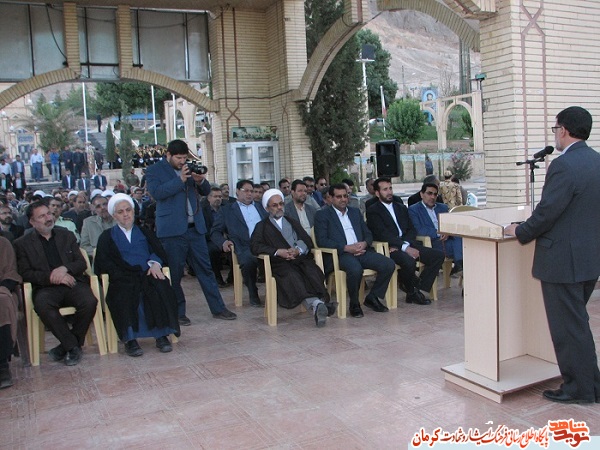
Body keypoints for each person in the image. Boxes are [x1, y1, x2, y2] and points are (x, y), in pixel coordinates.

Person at [504, 106, 600, 404]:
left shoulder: (563, 166)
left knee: (567, 329)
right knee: (577, 324)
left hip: (562, 261)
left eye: (555, 128)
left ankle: (579, 389)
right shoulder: (596, 161)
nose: (555, 134)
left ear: (564, 130)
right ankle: (592, 384)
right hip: (589, 258)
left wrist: (520, 231)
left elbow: (547, 212)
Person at [145, 139, 236, 325]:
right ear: (168, 155)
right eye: (178, 158)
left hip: (196, 229)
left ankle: (218, 308)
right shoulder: (154, 170)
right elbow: (157, 193)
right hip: (172, 231)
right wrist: (180, 180)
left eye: (184, 158)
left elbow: (206, 191)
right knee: (175, 273)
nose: (181, 161)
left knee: (206, 270)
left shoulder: (189, 168)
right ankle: (178, 312)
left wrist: (200, 180)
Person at [95, 194, 180, 357]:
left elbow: (158, 251)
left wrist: (155, 264)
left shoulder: (144, 232)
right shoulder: (106, 237)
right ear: (114, 216)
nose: (125, 214)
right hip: (122, 277)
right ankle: (130, 339)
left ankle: (161, 335)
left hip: (147, 273)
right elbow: (103, 262)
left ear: (133, 212)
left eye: (128, 210)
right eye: (120, 212)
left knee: (159, 289)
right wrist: (120, 273)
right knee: (124, 294)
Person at [14, 201, 97, 366]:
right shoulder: (22, 243)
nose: (48, 218)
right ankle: (72, 346)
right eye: (42, 216)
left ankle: (66, 346)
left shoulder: (66, 235)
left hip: (72, 282)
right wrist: (52, 276)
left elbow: (81, 263)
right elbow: (25, 273)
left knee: (90, 302)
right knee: (43, 305)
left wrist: (64, 269)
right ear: (32, 222)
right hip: (45, 287)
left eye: (49, 214)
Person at [251, 189, 336, 327]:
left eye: (281, 204)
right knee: (292, 275)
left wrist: (298, 250)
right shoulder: (261, 226)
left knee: (312, 271)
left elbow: (305, 239)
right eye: (275, 205)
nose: (279, 207)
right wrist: (278, 252)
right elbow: (255, 246)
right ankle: (317, 304)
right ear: (267, 208)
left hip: (299, 259)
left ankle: (317, 305)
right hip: (279, 264)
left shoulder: (291, 221)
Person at [314, 184, 396, 318]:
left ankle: (373, 297)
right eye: (339, 197)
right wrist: (346, 248)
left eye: (345, 196)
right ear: (331, 198)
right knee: (355, 269)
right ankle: (354, 303)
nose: (343, 199)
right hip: (341, 254)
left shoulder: (355, 212)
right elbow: (322, 241)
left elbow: (368, 234)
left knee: (388, 264)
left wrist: (364, 244)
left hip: (361, 251)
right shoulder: (322, 215)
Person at [366, 178, 444, 305]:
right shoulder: (373, 210)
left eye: (390, 188)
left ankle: (416, 289)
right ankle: (412, 291)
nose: (389, 192)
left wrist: (406, 245)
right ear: (377, 193)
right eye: (385, 189)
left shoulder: (401, 207)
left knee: (437, 256)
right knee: (408, 261)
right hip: (389, 248)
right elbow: (382, 234)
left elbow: (411, 229)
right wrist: (403, 247)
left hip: (406, 244)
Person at [211, 179, 268, 307]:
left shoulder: (260, 207)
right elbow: (215, 232)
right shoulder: (227, 210)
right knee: (248, 261)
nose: (249, 194)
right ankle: (253, 292)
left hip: (264, 244)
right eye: (246, 191)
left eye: (251, 191)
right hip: (243, 245)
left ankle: (280, 291)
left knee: (281, 257)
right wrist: (223, 242)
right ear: (237, 191)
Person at [409, 182, 463, 274]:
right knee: (466, 248)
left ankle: (460, 265)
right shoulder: (414, 209)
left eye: (435, 194)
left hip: (447, 239)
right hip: (430, 242)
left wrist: (447, 232)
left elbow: (450, 225)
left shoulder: (443, 207)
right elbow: (419, 230)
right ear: (422, 194)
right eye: (429, 193)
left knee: (464, 239)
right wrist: (439, 232)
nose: (433, 197)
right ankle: (460, 264)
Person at [0, 236, 21, 388]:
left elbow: (10, 274)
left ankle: (2, 366)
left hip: (1, 291)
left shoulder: (2, 243)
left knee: (2, 302)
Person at [202, 186, 229, 287]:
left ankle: (232, 277)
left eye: (220, 197)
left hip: (227, 238)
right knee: (212, 250)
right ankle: (217, 278)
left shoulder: (227, 208)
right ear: (209, 198)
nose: (218, 199)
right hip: (210, 239)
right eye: (215, 196)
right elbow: (203, 230)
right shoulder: (203, 211)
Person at [80, 194, 115, 259]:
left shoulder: (118, 219)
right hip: (99, 258)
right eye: (98, 206)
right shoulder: (88, 223)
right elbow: (84, 246)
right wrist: (100, 252)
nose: (103, 208)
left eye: (105, 204)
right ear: (94, 209)